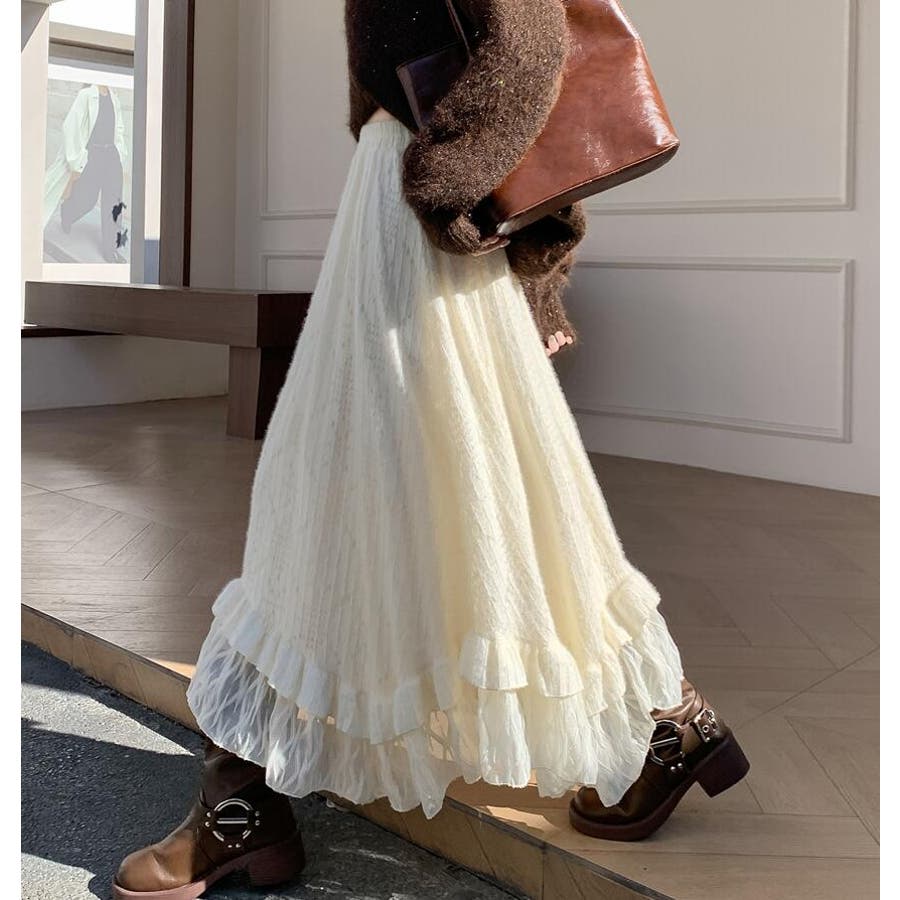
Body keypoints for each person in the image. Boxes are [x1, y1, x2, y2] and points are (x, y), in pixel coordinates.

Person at [112, 2, 748, 897]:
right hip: (412, 214)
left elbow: (527, 42)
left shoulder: (432, 182)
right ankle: (664, 724)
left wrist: (443, 189)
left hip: (417, 221)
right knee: (471, 494)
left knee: (339, 485)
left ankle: (240, 798)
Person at [43, 83, 128, 263]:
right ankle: (67, 213)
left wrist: (120, 153)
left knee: (115, 202)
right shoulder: (86, 95)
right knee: (87, 199)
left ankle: (110, 249)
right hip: (93, 155)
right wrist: (76, 161)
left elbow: (119, 129)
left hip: (112, 156)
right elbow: (71, 127)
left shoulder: (114, 98)